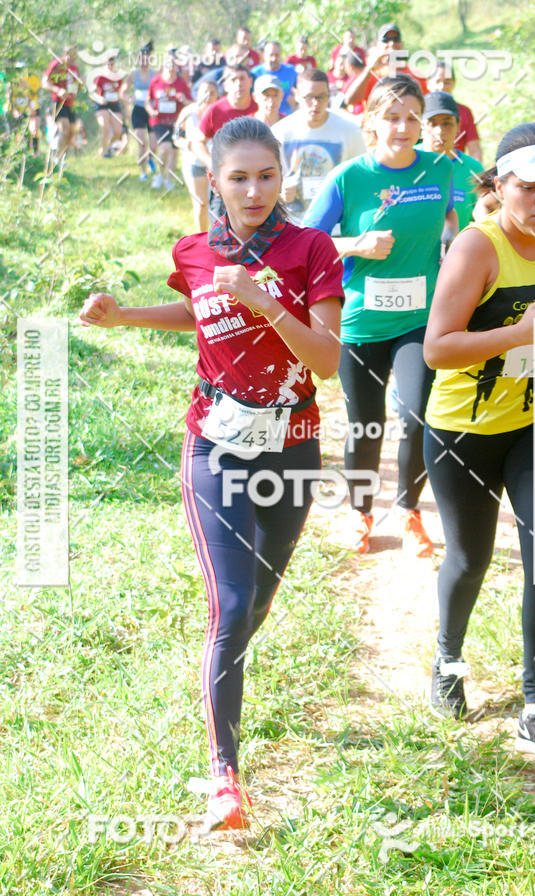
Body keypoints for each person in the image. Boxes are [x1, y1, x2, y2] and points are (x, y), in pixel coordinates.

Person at [78, 116, 344, 830]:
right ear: (215, 182)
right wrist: (125, 314)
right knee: (230, 606)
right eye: (238, 177)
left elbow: (325, 359)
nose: (254, 190)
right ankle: (224, 773)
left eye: (266, 175)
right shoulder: (195, 250)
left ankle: (223, 673)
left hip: (293, 442)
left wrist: (266, 302)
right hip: (215, 444)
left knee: (256, 602)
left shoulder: (311, 249)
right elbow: (198, 312)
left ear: (282, 176)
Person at [423, 122, 535, 756]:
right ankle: (446, 662)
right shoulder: (476, 247)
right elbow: (438, 347)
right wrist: (521, 335)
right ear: (501, 186)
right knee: (470, 558)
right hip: (463, 430)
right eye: (529, 189)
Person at [305, 75, 456, 556]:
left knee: (417, 416)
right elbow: (302, 244)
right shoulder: (349, 178)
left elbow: (476, 215)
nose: (403, 126)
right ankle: (360, 512)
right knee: (365, 425)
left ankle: (409, 512)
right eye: (391, 116)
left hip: (419, 321)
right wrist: (356, 245)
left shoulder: (442, 170)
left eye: (412, 116)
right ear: (371, 121)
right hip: (361, 322)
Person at [273, 68, 365, 224]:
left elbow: (361, 178)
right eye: (309, 97)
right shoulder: (279, 133)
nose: (315, 104)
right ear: (296, 95)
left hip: (335, 225)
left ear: (329, 95)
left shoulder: (350, 131)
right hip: (291, 225)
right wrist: (279, 193)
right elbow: (266, 180)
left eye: (321, 97)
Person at [420, 91, 484, 233]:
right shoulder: (406, 160)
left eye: (447, 123)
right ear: (421, 125)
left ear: (458, 125)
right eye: (432, 123)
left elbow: (484, 220)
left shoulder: (473, 169)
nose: (440, 131)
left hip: (459, 252)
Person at [344, 24, 427, 109]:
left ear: (402, 44)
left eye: (396, 39)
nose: (391, 43)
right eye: (386, 40)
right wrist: (370, 68)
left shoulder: (415, 74)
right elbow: (350, 100)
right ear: (378, 45)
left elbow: (424, 106)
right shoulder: (370, 73)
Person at [173, 80, 218, 231]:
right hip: (193, 162)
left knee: (216, 205)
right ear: (197, 93)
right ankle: (201, 238)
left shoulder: (219, 112)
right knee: (201, 203)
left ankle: (218, 238)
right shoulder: (188, 112)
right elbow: (176, 137)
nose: (208, 96)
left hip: (215, 164)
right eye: (204, 92)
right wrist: (189, 145)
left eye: (212, 93)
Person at [195, 64, 258, 167]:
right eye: (233, 80)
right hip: (227, 171)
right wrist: (211, 164)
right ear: (225, 86)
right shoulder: (215, 110)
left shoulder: (260, 107)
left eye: (242, 79)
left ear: (250, 82)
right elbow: (198, 143)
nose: (238, 84)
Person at [146, 51, 191, 190]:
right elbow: (148, 101)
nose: (171, 69)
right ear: (163, 67)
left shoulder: (181, 83)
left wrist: (184, 100)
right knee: (165, 147)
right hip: (159, 121)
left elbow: (191, 102)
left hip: (177, 122)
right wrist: (151, 111)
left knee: (174, 151)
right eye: (168, 66)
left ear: (177, 68)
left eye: (173, 66)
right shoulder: (156, 81)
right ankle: (159, 175)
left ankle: (169, 179)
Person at [427, 61, 482, 162]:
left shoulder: (464, 112)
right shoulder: (419, 110)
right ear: (428, 83)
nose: (442, 86)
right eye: (437, 81)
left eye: (447, 82)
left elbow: (475, 150)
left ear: (454, 84)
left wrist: (475, 172)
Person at [123, 42, 157, 180]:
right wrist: (128, 99)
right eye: (141, 58)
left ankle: (149, 158)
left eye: (146, 58)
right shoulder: (133, 75)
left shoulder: (155, 74)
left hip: (152, 111)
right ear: (138, 60)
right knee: (142, 142)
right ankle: (143, 172)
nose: (144, 61)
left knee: (154, 144)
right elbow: (123, 91)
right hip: (138, 110)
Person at [41, 46, 80, 160]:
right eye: (72, 55)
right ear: (66, 54)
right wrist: (58, 90)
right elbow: (44, 82)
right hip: (57, 102)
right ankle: (56, 157)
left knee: (71, 133)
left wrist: (74, 92)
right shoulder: (56, 64)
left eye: (76, 55)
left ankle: (61, 157)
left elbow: (74, 86)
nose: (74, 58)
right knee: (65, 129)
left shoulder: (74, 68)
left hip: (70, 104)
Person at [90, 50, 125, 158]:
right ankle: (103, 151)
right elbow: (91, 92)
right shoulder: (100, 76)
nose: (110, 65)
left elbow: (121, 92)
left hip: (114, 105)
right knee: (105, 128)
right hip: (102, 105)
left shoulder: (118, 76)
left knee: (118, 131)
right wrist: (99, 99)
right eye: (108, 63)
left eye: (112, 62)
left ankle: (107, 147)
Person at [251, 42, 297, 116]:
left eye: (277, 55)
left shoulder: (291, 71)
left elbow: (301, 91)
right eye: (271, 55)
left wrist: (296, 101)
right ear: (264, 55)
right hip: (264, 117)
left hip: (286, 117)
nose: (274, 58)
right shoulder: (255, 73)